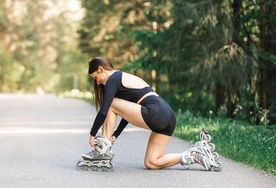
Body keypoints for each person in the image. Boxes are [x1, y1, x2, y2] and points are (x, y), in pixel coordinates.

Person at [80, 57, 222, 171]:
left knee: (110, 103)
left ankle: (102, 149)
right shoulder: (121, 79)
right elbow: (129, 114)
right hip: (168, 116)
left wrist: (93, 133)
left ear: (101, 69)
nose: (97, 83)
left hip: (155, 111)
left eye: (95, 77)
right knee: (152, 162)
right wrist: (115, 134)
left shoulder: (113, 79)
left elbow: (105, 110)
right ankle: (194, 155)